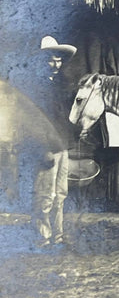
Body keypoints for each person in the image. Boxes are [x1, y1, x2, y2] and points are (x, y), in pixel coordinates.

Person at [31, 35, 77, 249]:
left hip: (62, 146)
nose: (55, 64)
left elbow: (67, 117)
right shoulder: (34, 87)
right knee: (45, 194)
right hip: (46, 148)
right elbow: (33, 122)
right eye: (51, 60)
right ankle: (43, 236)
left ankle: (58, 235)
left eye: (59, 60)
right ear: (42, 61)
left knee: (61, 193)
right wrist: (43, 149)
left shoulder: (64, 85)